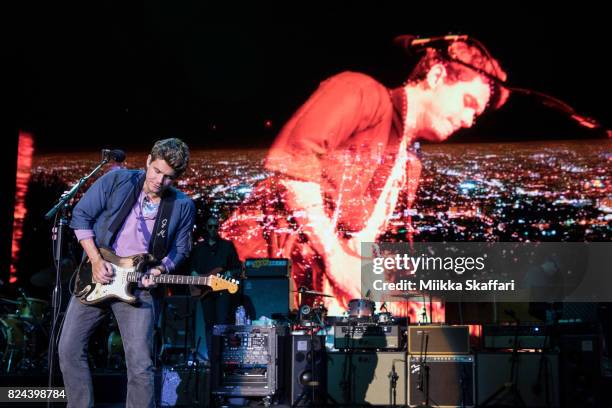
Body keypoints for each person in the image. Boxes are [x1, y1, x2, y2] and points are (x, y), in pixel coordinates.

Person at [221, 37, 510, 315]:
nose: (469, 119)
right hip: (252, 275)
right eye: (469, 101)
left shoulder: (409, 162)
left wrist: (392, 299)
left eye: (477, 114)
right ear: (436, 76)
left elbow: (356, 245)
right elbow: (295, 162)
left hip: (298, 294)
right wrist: (334, 257)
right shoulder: (361, 92)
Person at [58, 138, 195, 408]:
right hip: (98, 275)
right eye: (156, 171)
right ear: (147, 161)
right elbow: (80, 216)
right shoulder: (117, 181)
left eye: (168, 177)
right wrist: (96, 260)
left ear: (177, 178)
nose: (159, 180)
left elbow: (181, 249)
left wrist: (161, 268)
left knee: (141, 364)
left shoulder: (181, 205)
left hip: (138, 286)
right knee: (69, 349)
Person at [190, 215, 242, 360]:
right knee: (209, 324)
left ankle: (222, 356)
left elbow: (238, 268)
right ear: (206, 228)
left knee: (222, 323)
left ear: (218, 228)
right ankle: (212, 357)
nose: (213, 229)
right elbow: (193, 267)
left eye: (215, 226)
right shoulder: (199, 248)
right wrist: (194, 273)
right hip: (205, 292)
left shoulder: (227, 246)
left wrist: (230, 272)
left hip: (222, 291)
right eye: (210, 226)